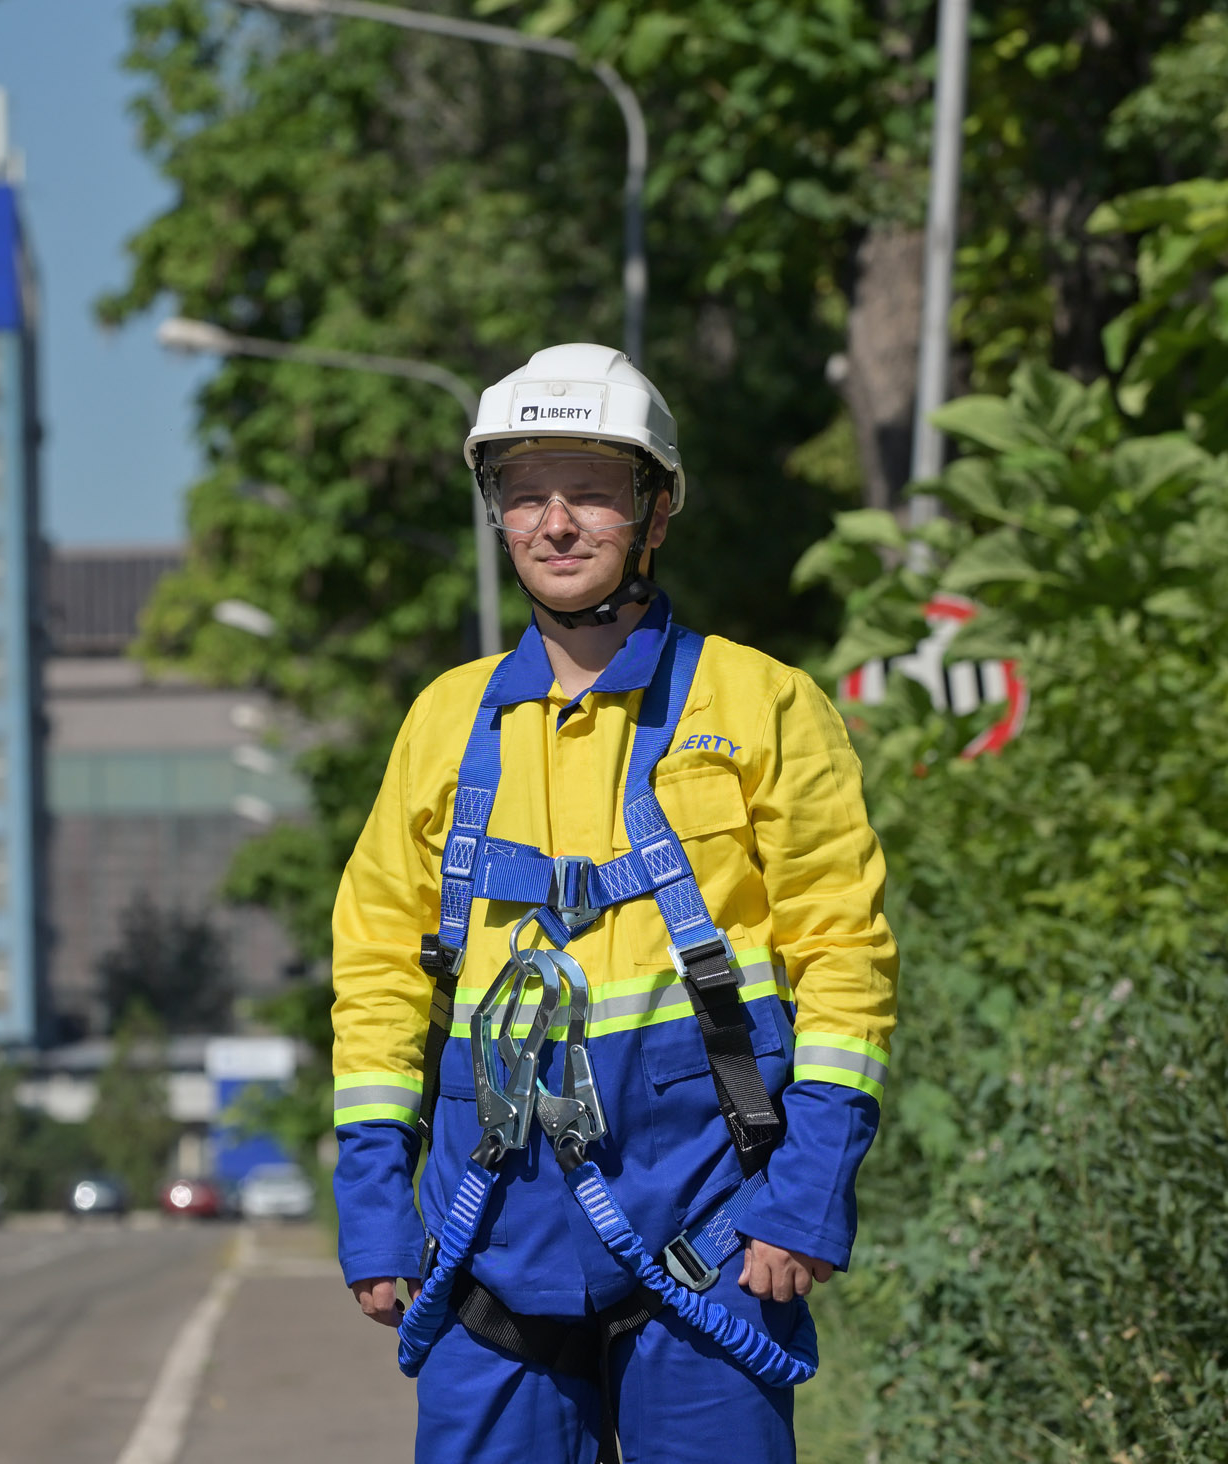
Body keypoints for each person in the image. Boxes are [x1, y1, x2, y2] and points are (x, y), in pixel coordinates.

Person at [329, 343, 898, 1463]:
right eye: (525, 493)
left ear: (654, 510)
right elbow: (378, 960)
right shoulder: (445, 722)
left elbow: (845, 956)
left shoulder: (764, 703)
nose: (555, 523)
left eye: (589, 491)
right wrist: (371, 1199)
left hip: (707, 1222)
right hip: (484, 1238)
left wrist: (806, 1195)